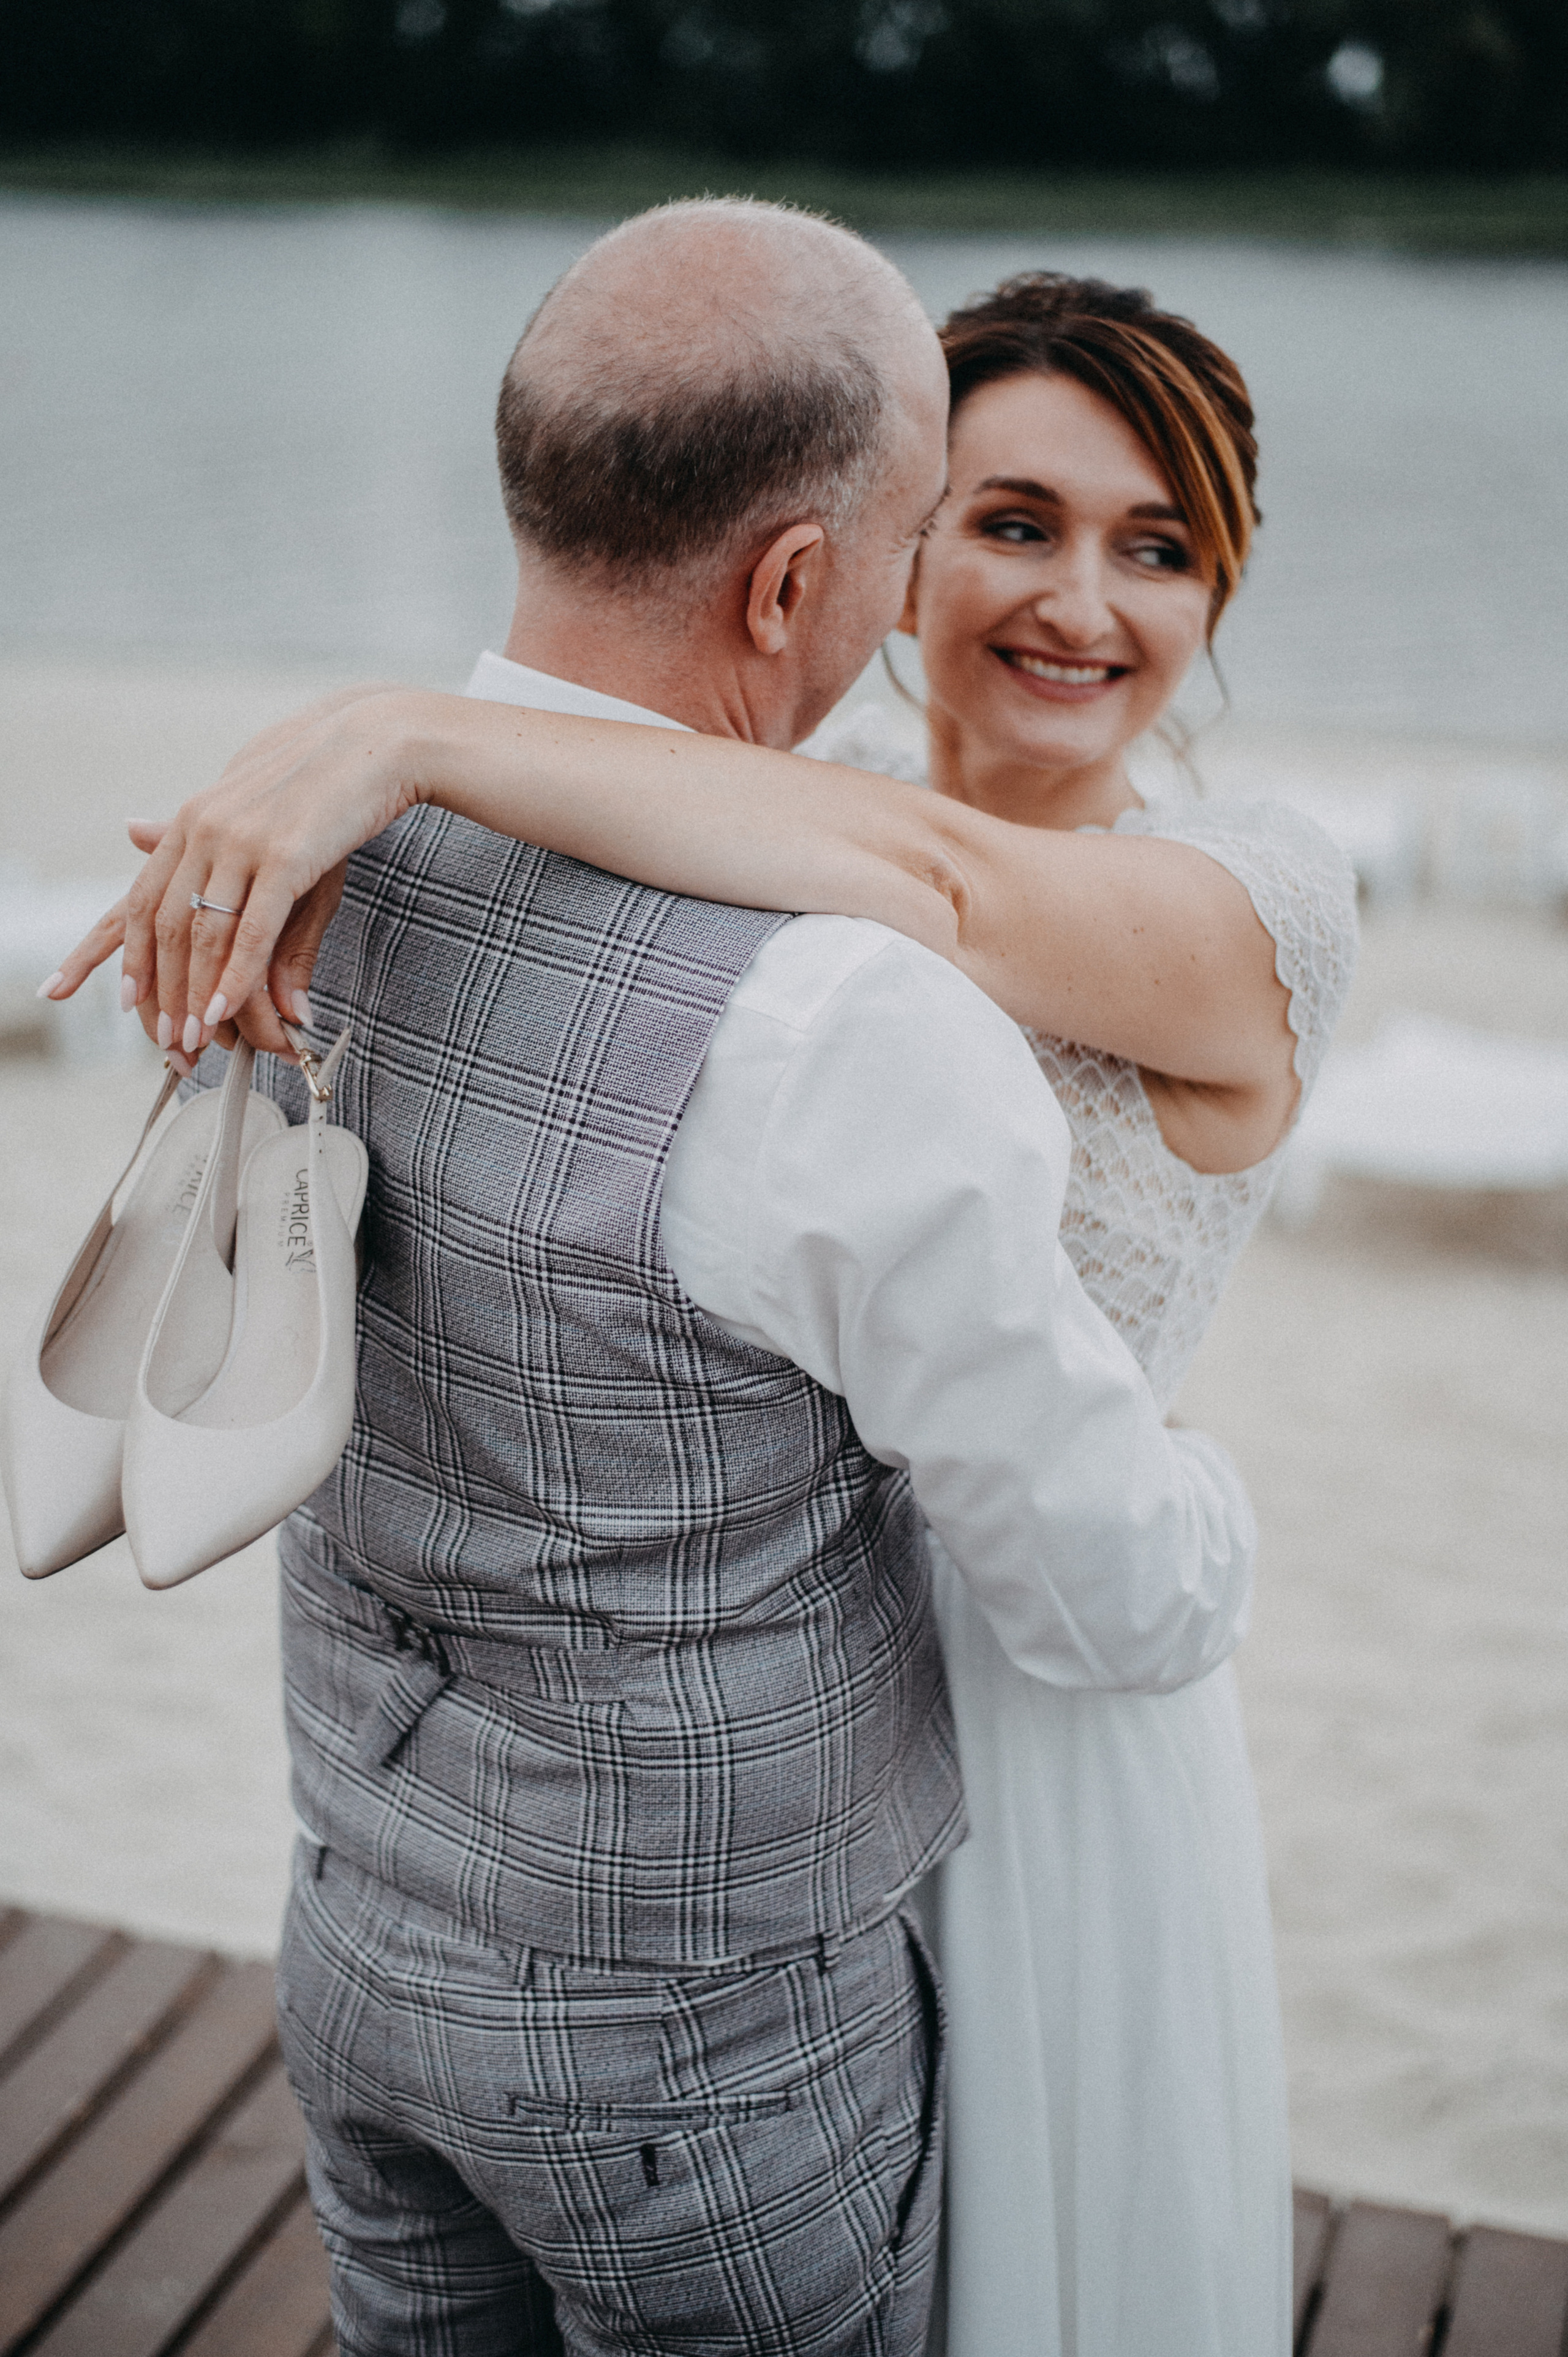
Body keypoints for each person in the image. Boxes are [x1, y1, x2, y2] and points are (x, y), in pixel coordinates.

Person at [53, 213, 1264, 2355]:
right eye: (922, 549)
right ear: (800, 583)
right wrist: (1227, 1516)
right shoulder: (844, 1026)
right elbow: (1110, 1594)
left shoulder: (315, 851)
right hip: (706, 2069)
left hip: (356, 1942)